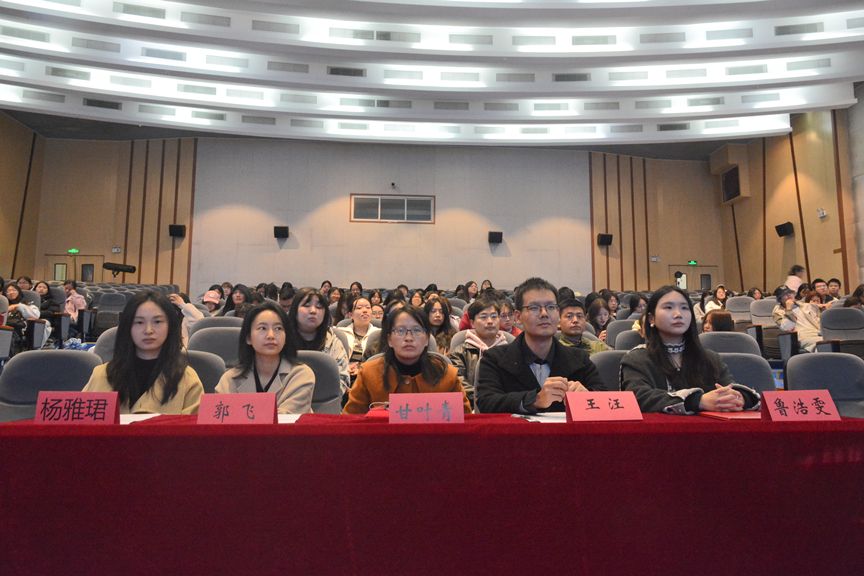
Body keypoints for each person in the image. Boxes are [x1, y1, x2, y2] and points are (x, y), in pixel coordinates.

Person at [620, 285, 760, 414]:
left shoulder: (709, 358)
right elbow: (637, 397)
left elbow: (729, 387)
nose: (678, 314)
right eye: (668, 307)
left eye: (684, 308)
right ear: (651, 318)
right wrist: (698, 401)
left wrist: (739, 398)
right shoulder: (637, 358)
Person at [476, 277, 605, 413]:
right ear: (518, 317)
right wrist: (534, 400)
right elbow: (486, 402)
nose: (544, 314)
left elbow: (605, 399)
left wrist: (588, 397)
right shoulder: (494, 359)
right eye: (534, 308)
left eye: (551, 307)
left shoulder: (579, 359)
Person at [83, 291, 204, 414]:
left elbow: (195, 424)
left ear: (170, 326)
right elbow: (81, 419)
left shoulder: (187, 379)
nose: (148, 330)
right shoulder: (101, 375)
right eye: (139, 322)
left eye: (157, 322)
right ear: (127, 326)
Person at [343, 306, 470, 414]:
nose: (409, 338)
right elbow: (351, 422)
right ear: (389, 339)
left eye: (416, 330)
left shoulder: (447, 375)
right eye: (400, 331)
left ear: (427, 339)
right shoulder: (368, 373)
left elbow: (465, 421)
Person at [216, 302, 314, 414]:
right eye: (262, 328)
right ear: (248, 338)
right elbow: (221, 418)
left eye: (278, 328)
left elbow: (286, 419)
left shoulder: (301, 375)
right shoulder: (230, 379)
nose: (271, 335)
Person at [449, 296, 510, 408]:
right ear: (472, 323)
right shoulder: (460, 352)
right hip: (473, 407)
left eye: (494, 316)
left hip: (507, 408)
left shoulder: (511, 351)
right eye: (483, 317)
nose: (490, 321)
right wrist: (487, 400)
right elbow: (459, 383)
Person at [286, 288, 350, 394]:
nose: (313, 311)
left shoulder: (333, 342)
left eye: (319, 307)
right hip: (285, 400)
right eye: (306, 305)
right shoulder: (282, 340)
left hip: (325, 400)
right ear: (295, 310)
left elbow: (343, 379)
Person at [338, 295, 381, 381]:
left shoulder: (379, 334)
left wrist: (362, 368)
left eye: (368, 307)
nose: (365, 310)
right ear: (351, 314)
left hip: (370, 377)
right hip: (343, 375)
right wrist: (345, 368)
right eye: (359, 308)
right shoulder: (340, 333)